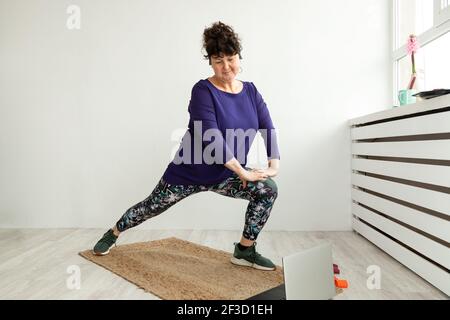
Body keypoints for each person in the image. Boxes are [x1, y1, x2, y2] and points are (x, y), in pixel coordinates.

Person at [93, 21, 281, 271]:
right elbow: (211, 137)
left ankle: (245, 250)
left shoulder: (251, 92)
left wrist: (273, 166)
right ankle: (114, 232)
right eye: (218, 60)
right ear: (211, 63)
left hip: (227, 174)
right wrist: (243, 171)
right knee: (150, 207)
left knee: (267, 189)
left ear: (239, 56)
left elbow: (267, 127)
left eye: (231, 58)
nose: (226, 67)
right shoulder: (203, 90)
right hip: (189, 172)